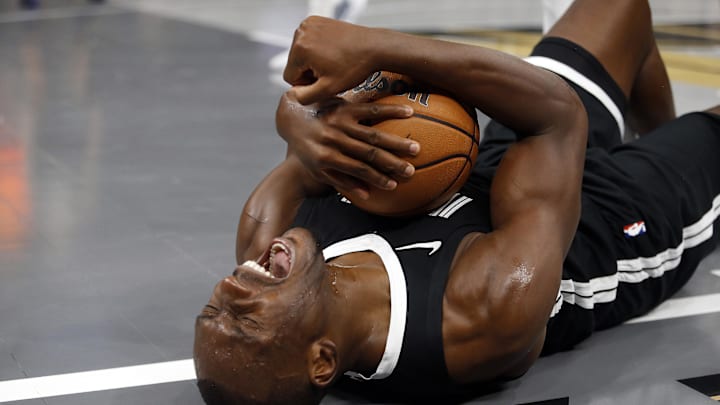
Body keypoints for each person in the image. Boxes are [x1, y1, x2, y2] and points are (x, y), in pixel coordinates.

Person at [193, 0, 720, 403]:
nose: (230, 285)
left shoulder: (270, 238)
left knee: (618, 7)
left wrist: (297, 119)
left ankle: (666, 141)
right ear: (323, 362)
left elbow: (313, 127)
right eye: (246, 320)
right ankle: (683, 166)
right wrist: (380, 47)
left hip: (496, 168)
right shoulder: (477, 314)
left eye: (213, 309)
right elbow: (556, 118)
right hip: (609, 224)